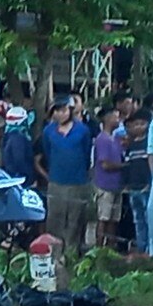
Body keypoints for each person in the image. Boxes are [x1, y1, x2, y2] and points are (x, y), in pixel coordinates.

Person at [36, 96, 96, 252]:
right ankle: (54, 254)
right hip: (56, 182)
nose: (60, 114)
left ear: (70, 111)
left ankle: (72, 254)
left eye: (63, 110)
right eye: (57, 111)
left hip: (78, 182)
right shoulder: (48, 131)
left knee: (75, 220)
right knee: (55, 220)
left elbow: (86, 152)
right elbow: (47, 153)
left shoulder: (82, 130)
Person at [92, 106, 126, 251]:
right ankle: (99, 248)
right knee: (103, 218)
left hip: (116, 185)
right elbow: (105, 164)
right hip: (104, 185)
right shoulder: (102, 139)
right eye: (115, 117)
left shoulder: (117, 139)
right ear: (107, 119)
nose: (118, 120)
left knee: (114, 219)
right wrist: (124, 166)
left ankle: (110, 248)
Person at [122, 110, 153, 253]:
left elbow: (150, 166)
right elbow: (128, 167)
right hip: (133, 188)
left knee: (149, 219)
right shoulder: (131, 145)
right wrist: (126, 184)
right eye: (136, 124)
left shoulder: (149, 143)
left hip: (146, 188)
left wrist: (150, 183)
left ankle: (151, 248)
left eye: (142, 124)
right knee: (138, 220)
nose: (139, 127)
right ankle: (142, 247)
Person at [0, 105, 36, 185]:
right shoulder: (18, 138)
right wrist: (29, 177)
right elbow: (19, 160)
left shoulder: (8, 135)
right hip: (20, 180)